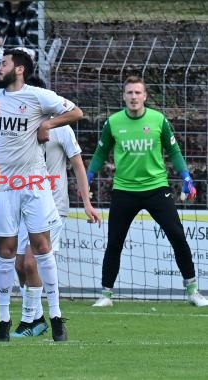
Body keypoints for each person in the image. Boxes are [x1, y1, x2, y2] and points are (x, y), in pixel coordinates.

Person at [0, 49, 84, 342]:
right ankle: (2, 321)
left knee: (41, 248)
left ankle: (57, 316)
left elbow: (76, 112)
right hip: (2, 185)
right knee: (6, 252)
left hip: (35, 184)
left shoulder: (38, 96)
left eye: (4, 63)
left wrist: (47, 124)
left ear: (20, 69)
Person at [87, 76, 208, 308]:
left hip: (156, 188)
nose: (134, 97)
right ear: (124, 96)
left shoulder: (158, 120)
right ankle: (106, 295)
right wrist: (89, 178)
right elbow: (100, 154)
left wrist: (186, 176)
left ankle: (193, 290)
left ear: (145, 96)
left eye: (137, 93)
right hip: (124, 190)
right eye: (130, 93)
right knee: (114, 242)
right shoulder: (113, 122)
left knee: (178, 237)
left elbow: (174, 151)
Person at [7, 76, 101, 341]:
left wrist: (87, 202)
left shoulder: (62, 129)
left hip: (53, 206)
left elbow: (78, 165)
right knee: (19, 265)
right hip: (23, 203)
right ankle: (37, 318)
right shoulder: (17, 128)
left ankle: (32, 320)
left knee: (30, 262)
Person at [0, 1, 39, 114]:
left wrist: (4, 41)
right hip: (4, 50)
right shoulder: (0, 6)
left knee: (19, 57)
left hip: (27, 50)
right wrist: (3, 42)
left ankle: (18, 102)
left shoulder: (33, 8)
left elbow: (32, 41)